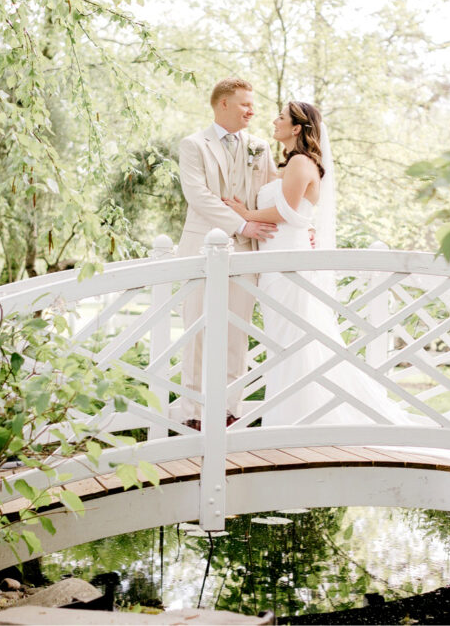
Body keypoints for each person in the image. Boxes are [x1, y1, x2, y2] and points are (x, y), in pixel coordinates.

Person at [224, 101, 422, 426]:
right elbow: (300, 212)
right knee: (283, 340)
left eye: (281, 118)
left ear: (297, 128)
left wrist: (245, 214)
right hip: (278, 261)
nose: (274, 121)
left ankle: (298, 420)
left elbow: (289, 212)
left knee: (293, 339)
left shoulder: (301, 161)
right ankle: (288, 417)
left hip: (290, 265)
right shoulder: (290, 164)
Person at [173, 78, 278, 430]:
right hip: (201, 250)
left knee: (237, 332)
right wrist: (240, 224)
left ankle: (229, 410)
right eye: (245, 104)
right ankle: (193, 412)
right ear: (223, 105)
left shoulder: (259, 148)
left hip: (246, 253)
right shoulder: (193, 145)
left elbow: (268, 195)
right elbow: (198, 196)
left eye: (252, 104)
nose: (252, 110)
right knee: (198, 331)